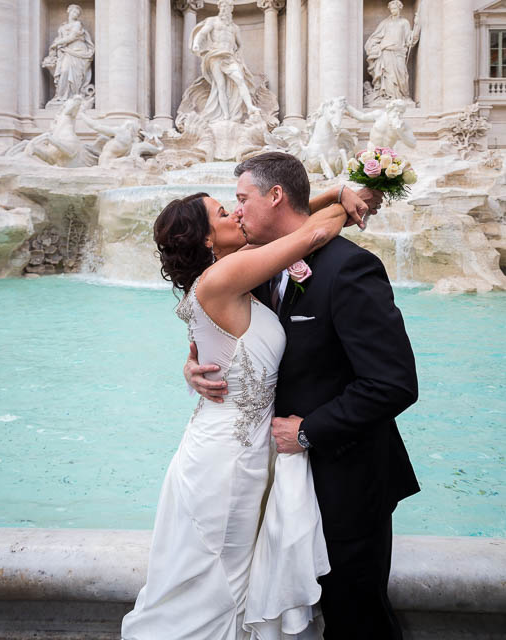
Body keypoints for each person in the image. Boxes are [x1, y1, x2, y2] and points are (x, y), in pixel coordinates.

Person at [121, 172, 379, 640]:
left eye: (236, 203)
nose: (237, 212)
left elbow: (288, 217)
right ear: (205, 237)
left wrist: (330, 193)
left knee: (227, 580)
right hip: (229, 458)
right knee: (223, 582)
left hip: (232, 443)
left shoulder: (234, 267)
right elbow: (313, 232)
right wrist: (347, 195)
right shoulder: (226, 274)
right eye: (224, 212)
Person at [186, 152, 419, 640]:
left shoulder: (349, 267)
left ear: (274, 197)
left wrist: (310, 431)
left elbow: (393, 382)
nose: (238, 212)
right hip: (277, 481)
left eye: (242, 199)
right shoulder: (257, 270)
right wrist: (195, 367)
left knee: (356, 615)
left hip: (346, 479)